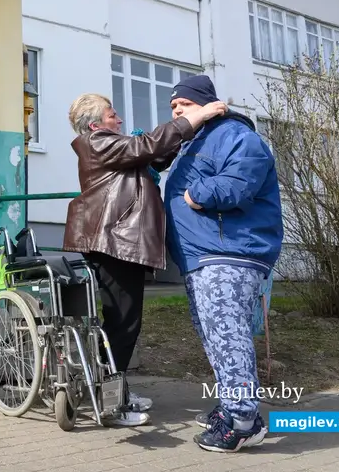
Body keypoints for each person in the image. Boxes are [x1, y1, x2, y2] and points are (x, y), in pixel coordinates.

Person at [62, 93, 229, 426]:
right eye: (113, 116)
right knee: (122, 325)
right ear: (96, 125)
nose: (119, 120)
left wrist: (188, 132)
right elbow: (147, 147)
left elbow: (154, 156)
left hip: (116, 241)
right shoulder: (97, 142)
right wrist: (193, 118)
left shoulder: (114, 148)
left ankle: (114, 391)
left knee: (120, 324)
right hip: (113, 242)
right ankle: (109, 406)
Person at [162, 75, 283, 452]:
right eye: (172, 107)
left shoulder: (236, 134)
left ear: (206, 104)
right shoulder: (194, 142)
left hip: (230, 253)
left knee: (228, 336)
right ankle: (237, 410)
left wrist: (195, 195)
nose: (176, 110)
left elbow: (240, 181)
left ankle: (242, 421)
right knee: (216, 337)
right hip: (201, 255)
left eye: (183, 104)